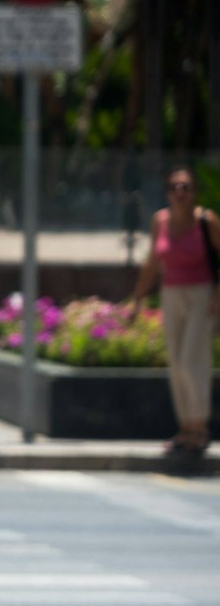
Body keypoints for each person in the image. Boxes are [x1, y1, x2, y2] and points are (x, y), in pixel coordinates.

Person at [127, 166, 220, 460]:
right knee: (176, 361)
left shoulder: (206, 221)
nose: (180, 193)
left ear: (194, 192)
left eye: (186, 187)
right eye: (174, 187)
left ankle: (199, 427)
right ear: (167, 191)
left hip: (202, 294)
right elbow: (153, 261)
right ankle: (184, 427)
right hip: (171, 293)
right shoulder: (161, 221)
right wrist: (138, 297)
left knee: (193, 360)